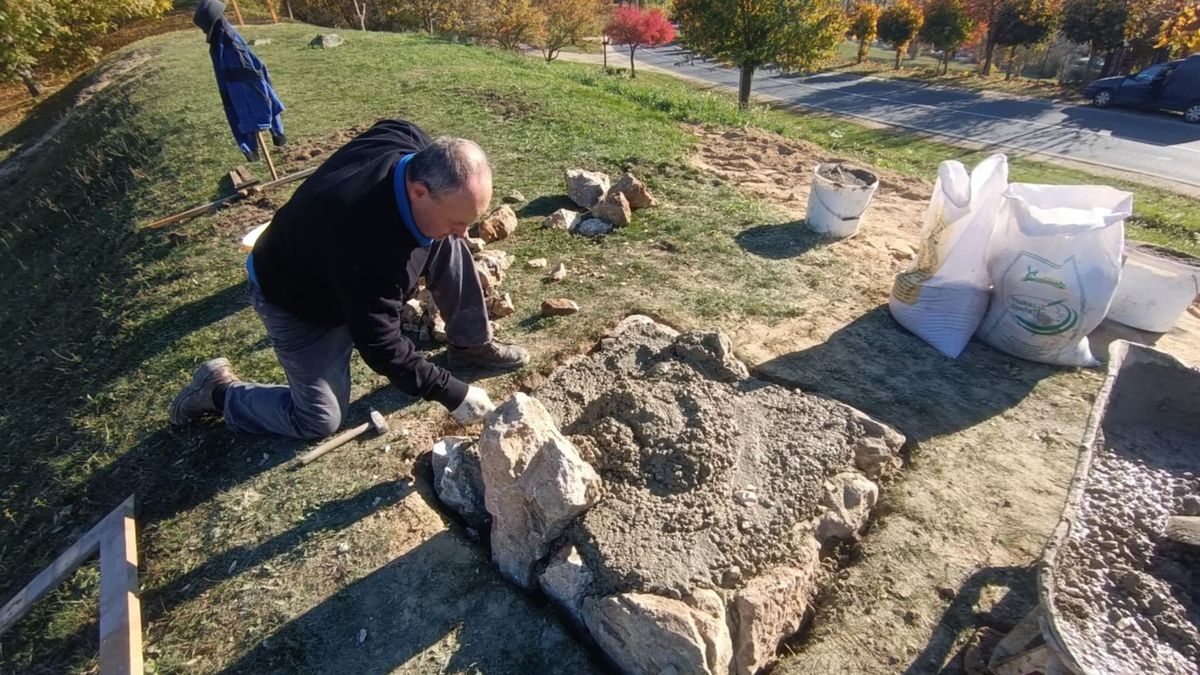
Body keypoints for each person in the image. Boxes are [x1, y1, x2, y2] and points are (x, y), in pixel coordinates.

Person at [169, 119, 528, 438]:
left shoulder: (407, 142)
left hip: (342, 261)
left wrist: (447, 229)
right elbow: (380, 344)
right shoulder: (365, 242)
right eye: (458, 221)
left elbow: (389, 126)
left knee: (448, 247)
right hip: (298, 297)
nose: (465, 233)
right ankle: (216, 391)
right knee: (319, 420)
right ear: (419, 192)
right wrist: (451, 392)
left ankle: (470, 345)